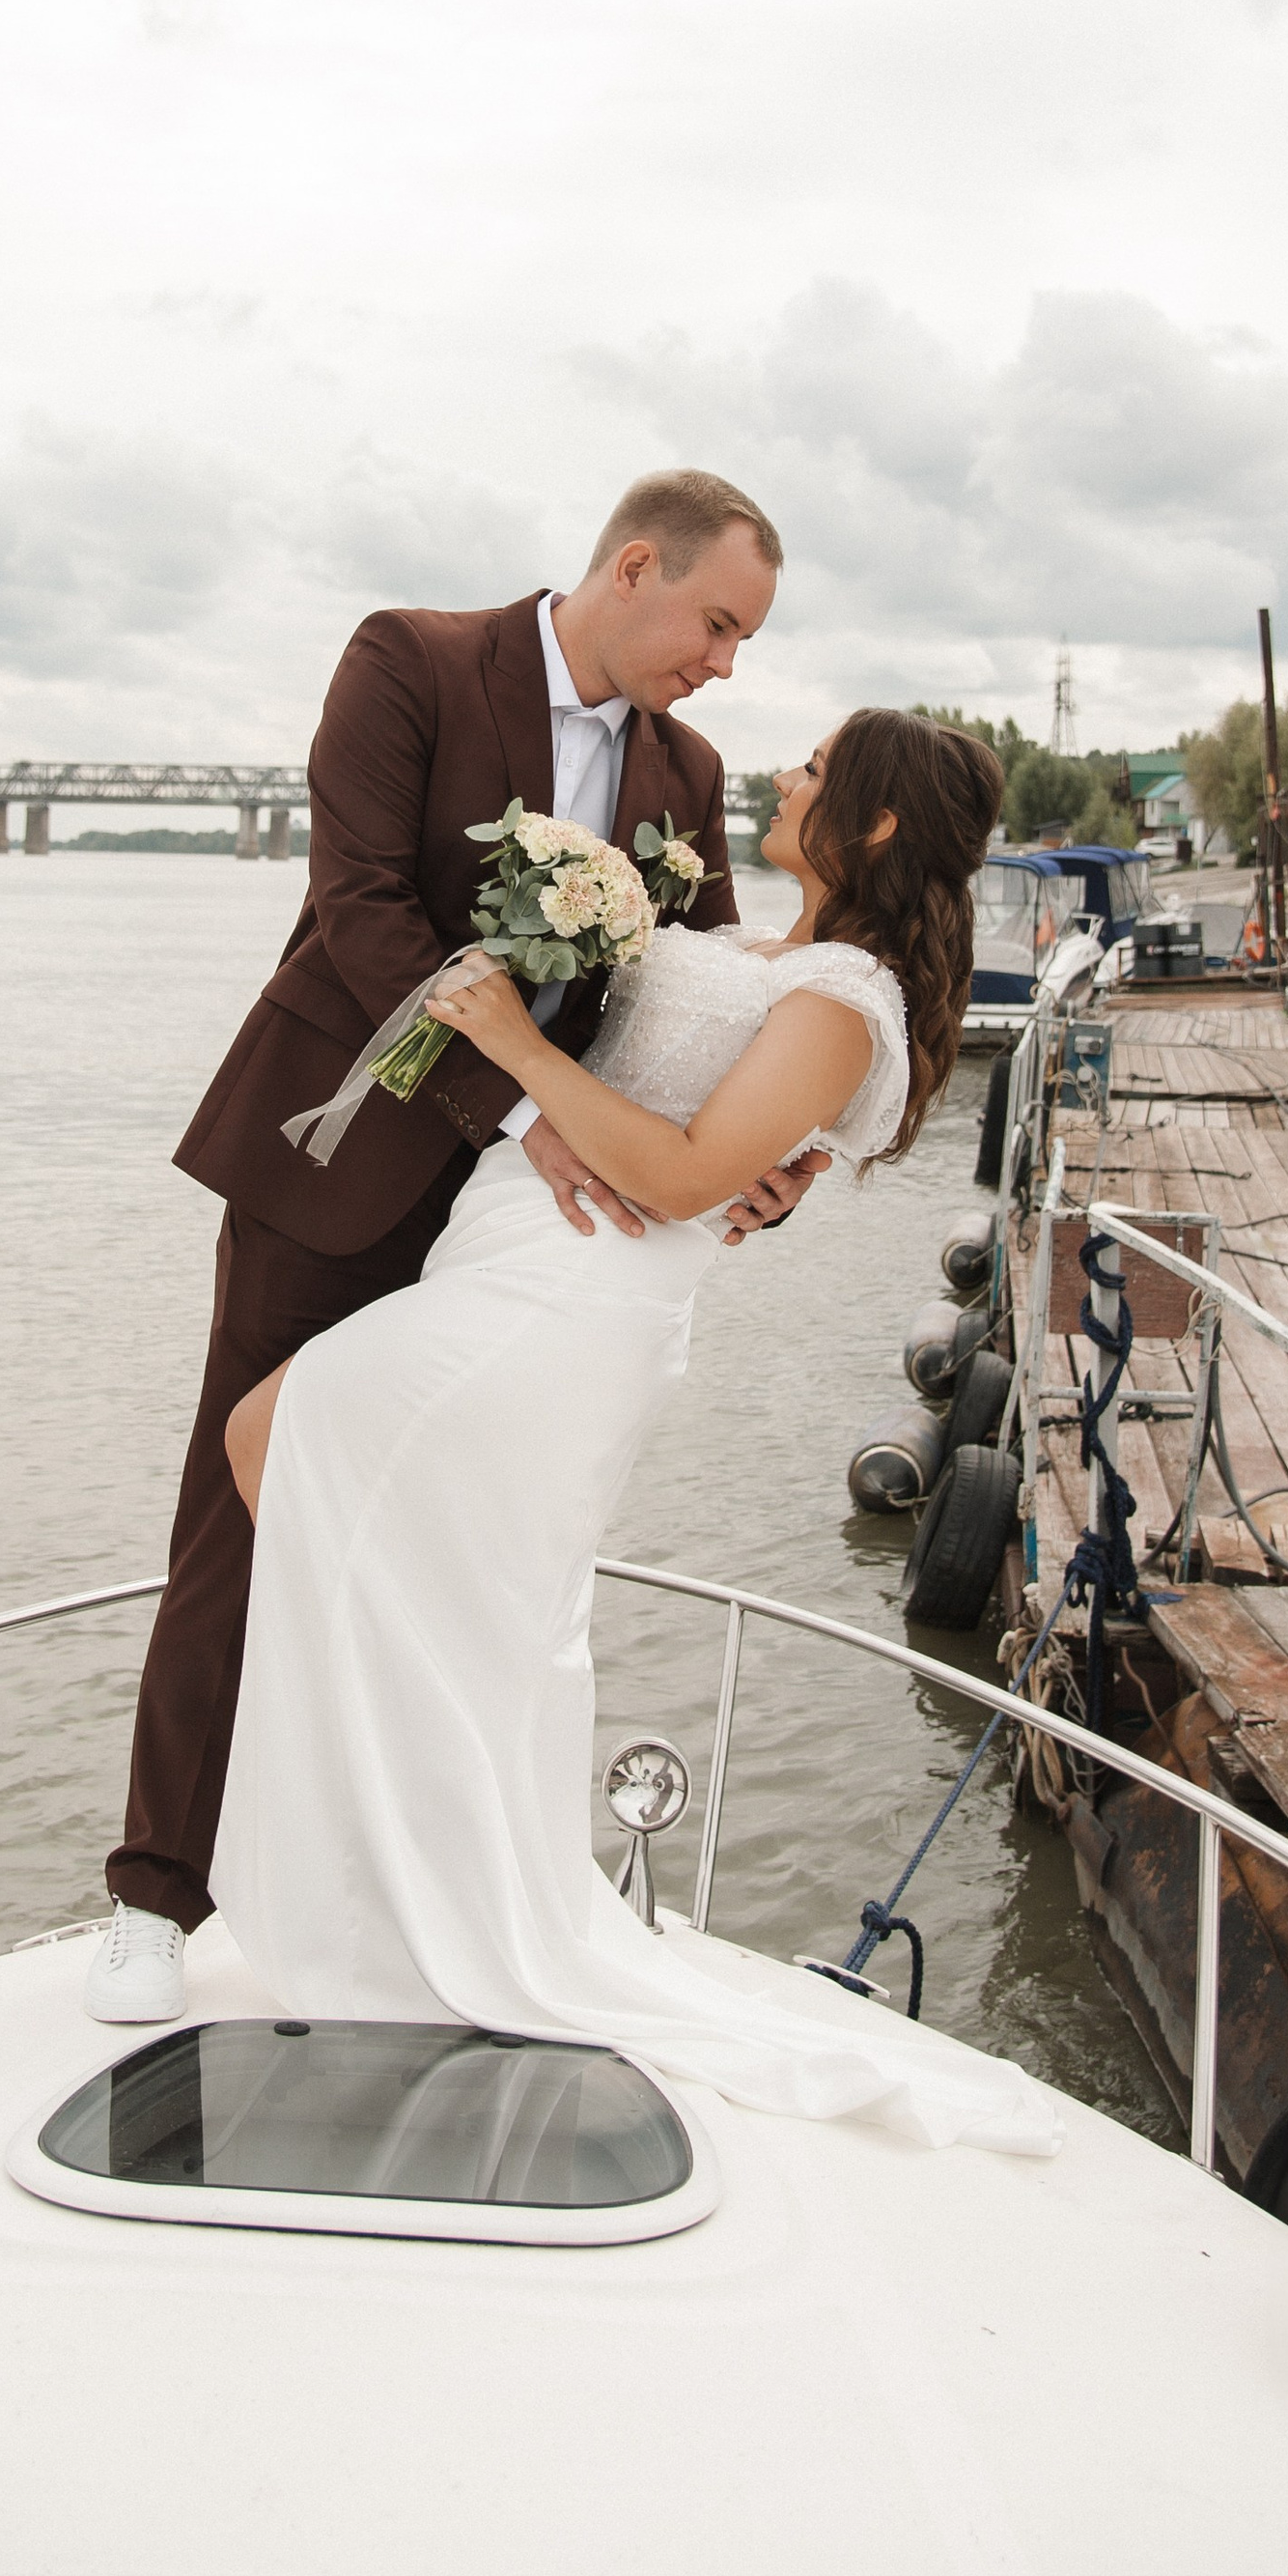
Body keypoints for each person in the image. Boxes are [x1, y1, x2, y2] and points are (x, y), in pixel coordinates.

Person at [207, 709, 1061, 2160]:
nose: (786, 773)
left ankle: (411, 1890)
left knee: (276, 1438)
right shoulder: (772, 951)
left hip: (576, 1292)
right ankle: (406, 1891)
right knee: (453, 1583)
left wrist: (503, 1046)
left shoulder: (846, 999)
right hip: (513, 1256)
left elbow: (676, 1179)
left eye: (817, 768)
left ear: (870, 824)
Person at [89, 467, 819, 2024]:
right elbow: (359, 910)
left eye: (744, 642)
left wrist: (763, 1161)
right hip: (345, 1160)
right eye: (717, 625)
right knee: (242, 1507)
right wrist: (518, 1110)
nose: (723, 665)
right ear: (636, 566)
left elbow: (698, 996)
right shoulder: (410, 661)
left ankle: (406, 1890)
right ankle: (156, 1894)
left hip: (525, 1231)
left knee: (461, 1543)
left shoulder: (686, 772)